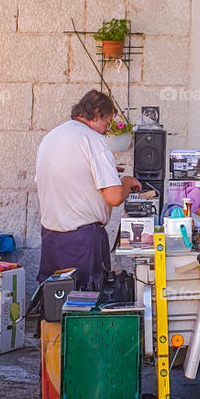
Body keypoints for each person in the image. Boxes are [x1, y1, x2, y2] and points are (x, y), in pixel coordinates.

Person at [35, 89, 141, 285]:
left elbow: (69, 176)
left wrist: (104, 172)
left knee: (53, 303)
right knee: (86, 305)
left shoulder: (51, 137)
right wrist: (126, 182)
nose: (108, 130)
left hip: (51, 238)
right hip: (82, 241)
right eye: (108, 123)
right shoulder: (93, 140)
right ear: (97, 113)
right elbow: (114, 197)